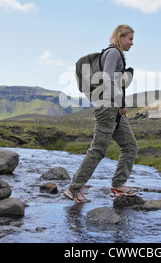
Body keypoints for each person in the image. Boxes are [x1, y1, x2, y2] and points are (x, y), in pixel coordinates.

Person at [64, 24, 138, 203]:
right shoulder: (113, 53)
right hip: (108, 107)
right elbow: (107, 78)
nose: (132, 43)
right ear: (120, 37)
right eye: (130, 38)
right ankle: (74, 189)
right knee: (98, 149)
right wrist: (120, 101)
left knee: (130, 145)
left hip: (113, 107)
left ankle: (117, 186)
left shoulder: (115, 54)